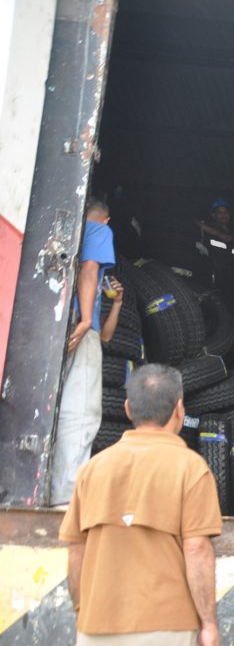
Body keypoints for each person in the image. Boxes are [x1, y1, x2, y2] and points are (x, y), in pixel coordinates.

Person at [59, 364, 222, 646]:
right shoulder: (191, 468)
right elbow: (197, 549)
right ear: (179, 409)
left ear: (127, 408)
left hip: (97, 630)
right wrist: (208, 623)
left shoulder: (93, 469)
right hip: (164, 630)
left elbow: (76, 551)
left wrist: (84, 611)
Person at [51, 198, 125, 507]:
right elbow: (89, 269)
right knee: (80, 413)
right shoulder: (97, 230)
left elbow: (106, 336)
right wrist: (83, 320)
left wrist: (117, 303)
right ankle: (65, 500)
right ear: (106, 219)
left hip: (64, 330)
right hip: (79, 331)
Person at [195, 198, 234, 308]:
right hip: (211, 277)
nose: (223, 215)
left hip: (229, 279)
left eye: (226, 212)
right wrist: (219, 234)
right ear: (213, 215)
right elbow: (196, 222)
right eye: (220, 212)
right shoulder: (209, 229)